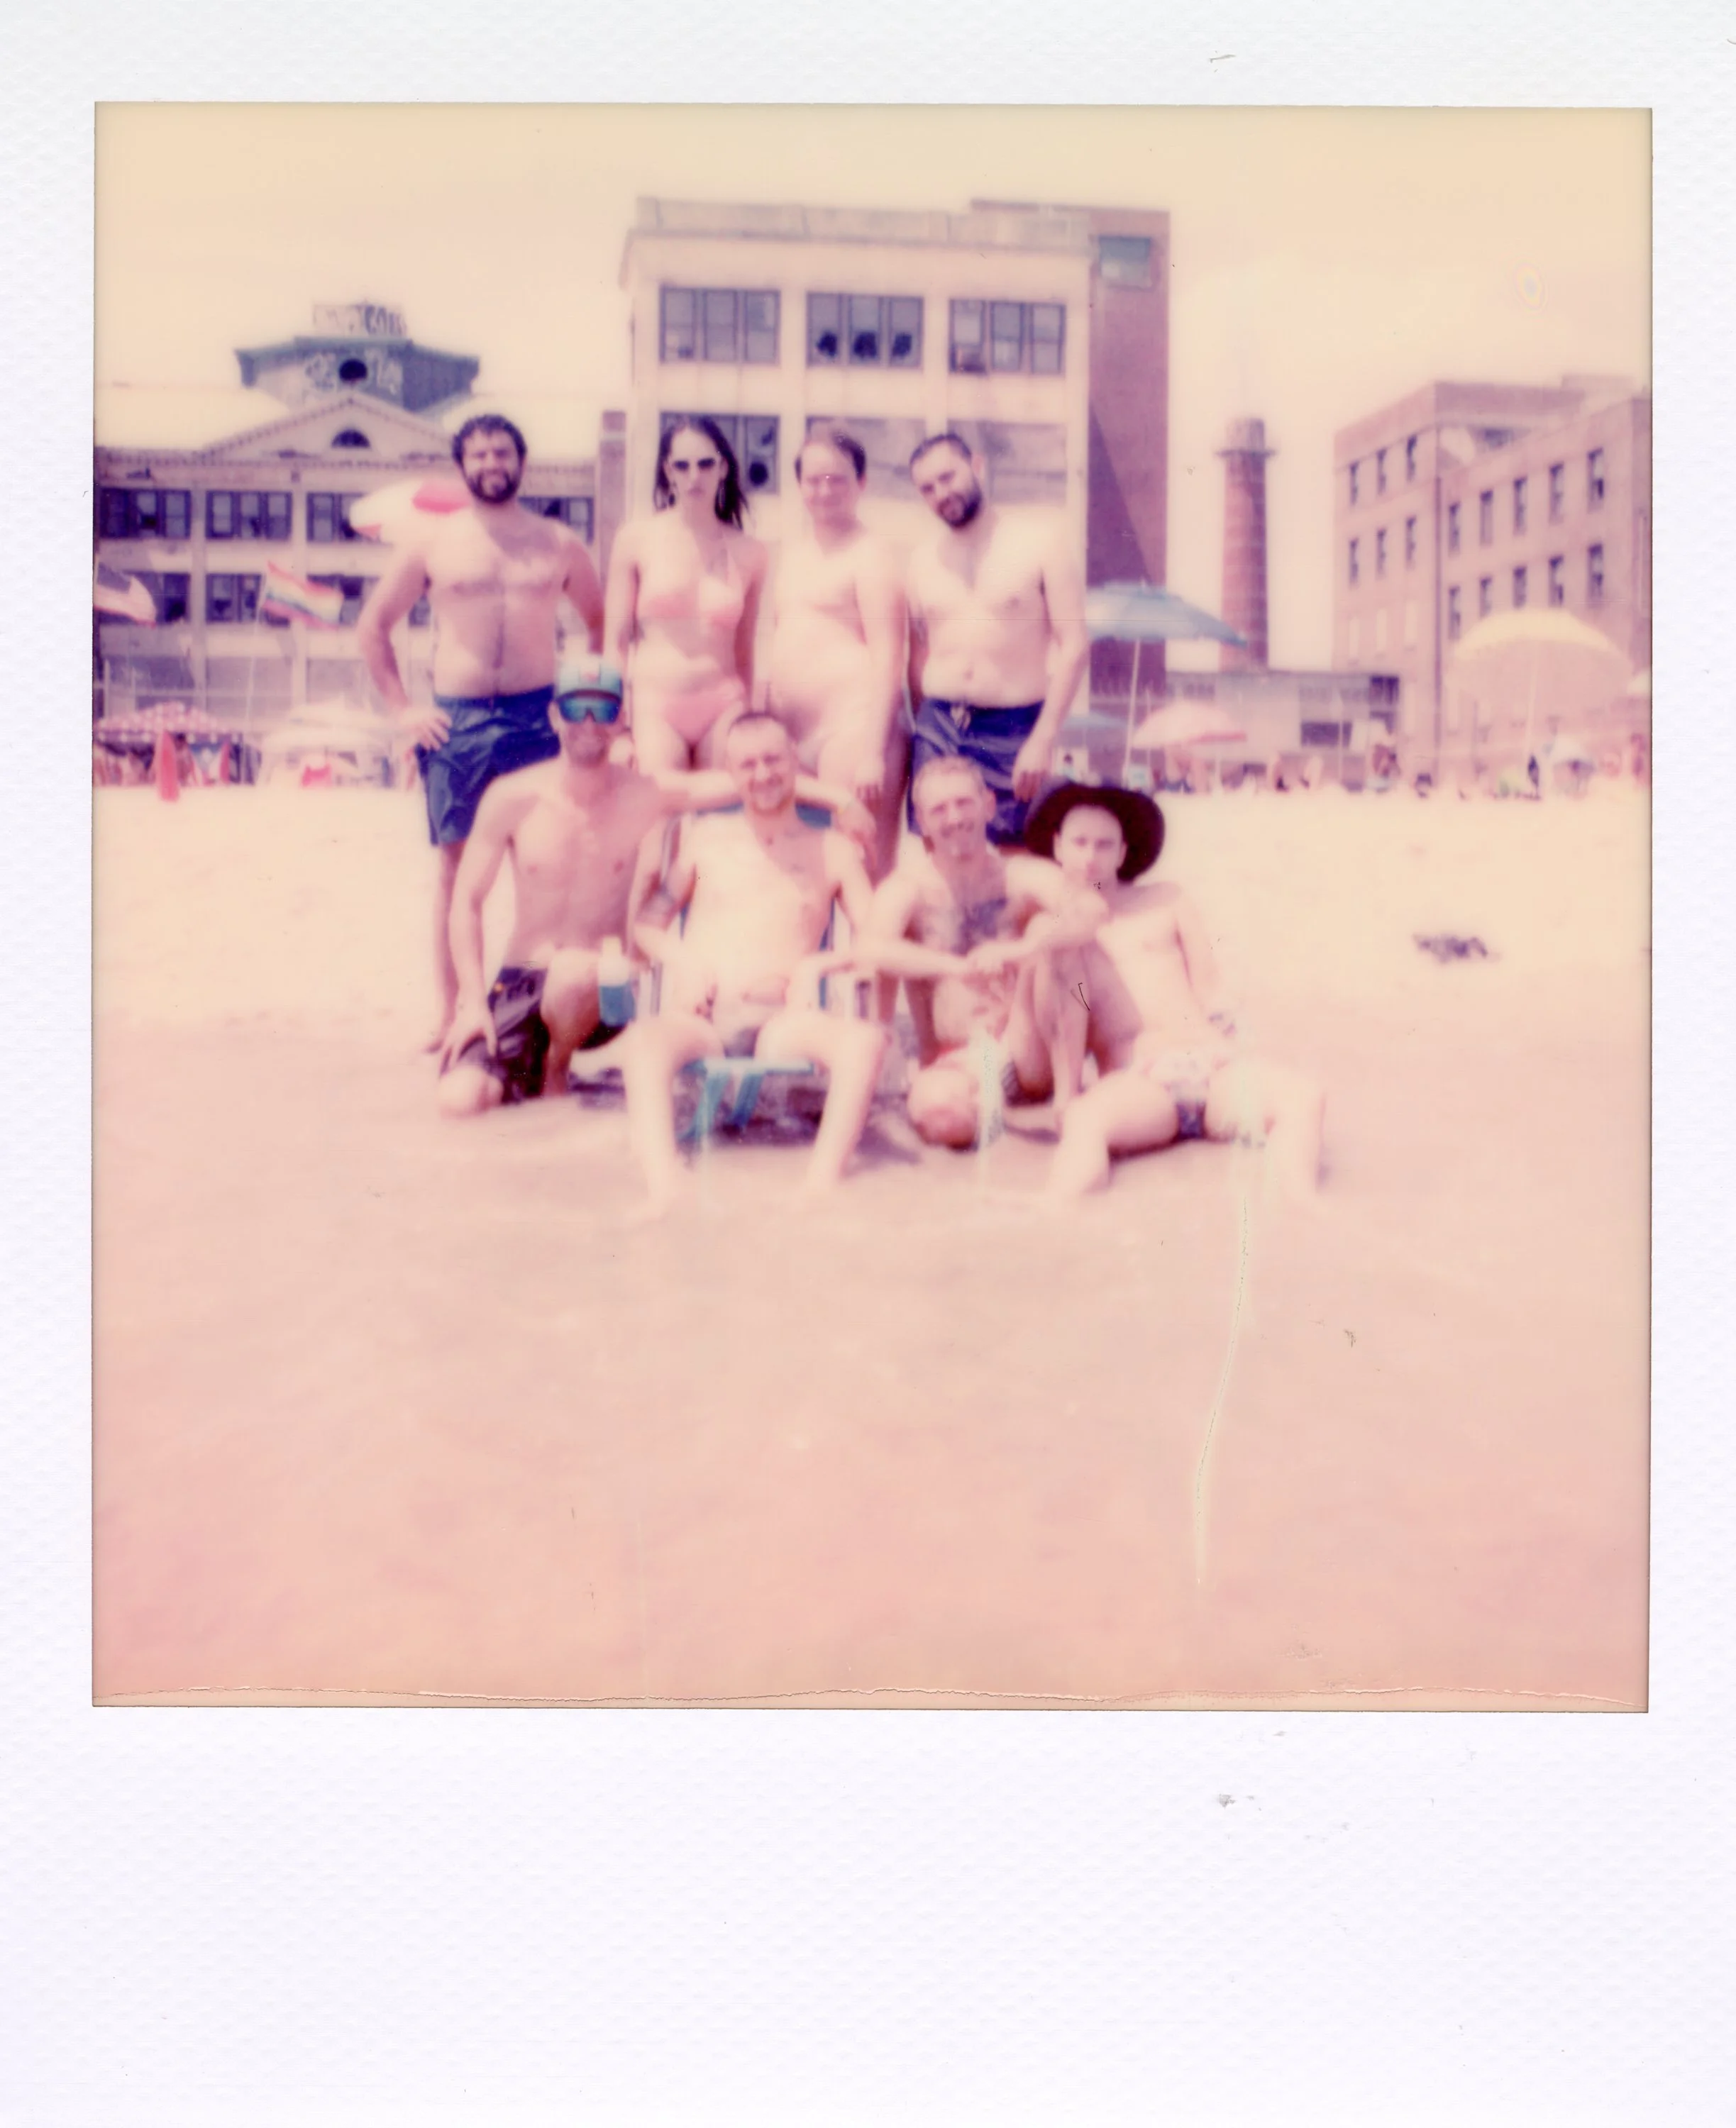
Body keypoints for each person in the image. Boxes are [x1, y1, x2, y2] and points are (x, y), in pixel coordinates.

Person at [438, 672, 876, 1120]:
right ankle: (526, 1075)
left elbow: (759, 779)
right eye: (575, 708)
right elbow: (466, 903)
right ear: (554, 716)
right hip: (521, 979)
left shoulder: (647, 793)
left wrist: (841, 801)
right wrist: (472, 1000)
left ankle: (557, 1070)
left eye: (604, 709)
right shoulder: (511, 797)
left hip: (597, 991)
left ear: (621, 719)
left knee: (574, 974)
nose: (589, 722)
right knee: (460, 1102)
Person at [358, 414, 605, 1047]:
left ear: (522, 462)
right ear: (462, 465)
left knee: (541, 865)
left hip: (535, 716)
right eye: (478, 454)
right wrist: (403, 709)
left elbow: (601, 630)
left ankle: (534, 1011)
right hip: (457, 721)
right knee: (457, 871)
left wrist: (585, 709)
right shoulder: (431, 543)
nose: (491, 463)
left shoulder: (558, 543)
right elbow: (373, 627)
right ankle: (453, 1011)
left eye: (502, 452)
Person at [622, 712, 891, 1210]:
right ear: (730, 772)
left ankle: (820, 1186)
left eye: (773, 759)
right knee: (641, 1043)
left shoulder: (832, 848)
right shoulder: (703, 840)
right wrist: (682, 960)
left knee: (865, 1043)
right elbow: (648, 923)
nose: (762, 774)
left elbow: (877, 940)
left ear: (795, 760)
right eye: (747, 765)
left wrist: (818, 966)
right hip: (703, 1013)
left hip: (785, 1020)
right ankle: (666, 1190)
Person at [1022, 783, 1325, 1199]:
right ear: (1057, 848)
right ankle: (1056, 1212)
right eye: (1080, 843)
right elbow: (1062, 1017)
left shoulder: (1167, 900)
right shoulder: (1057, 931)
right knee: (1085, 1125)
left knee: (1304, 1098)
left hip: (1213, 1065)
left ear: (1123, 853)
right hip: (1141, 1079)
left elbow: (1210, 988)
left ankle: (1304, 1206)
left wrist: (1239, 1047)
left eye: (1104, 845)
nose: (1091, 857)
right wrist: (1067, 1095)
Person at [861, 754, 1106, 1150]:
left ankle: (1067, 1101)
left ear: (988, 805)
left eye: (963, 803)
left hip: (1028, 1051)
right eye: (939, 809)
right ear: (922, 822)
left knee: (1050, 930)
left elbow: (1092, 910)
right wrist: (954, 967)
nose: (954, 818)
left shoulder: (1021, 875)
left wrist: (1018, 950)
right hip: (959, 1058)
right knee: (939, 1118)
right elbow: (870, 949)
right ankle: (986, 1115)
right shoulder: (909, 889)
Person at [904, 431, 1088, 846]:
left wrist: (1043, 739)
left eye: (948, 477)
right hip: (938, 725)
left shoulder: (1041, 542)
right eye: (927, 488)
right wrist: (923, 728)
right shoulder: (921, 560)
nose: (940, 493)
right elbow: (918, 655)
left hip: (1014, 725)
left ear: (978, 465)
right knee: (936, 851)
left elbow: (1075, 646)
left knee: (1013, 853)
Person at [759, 428, 908, 880]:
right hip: (792, 735)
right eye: (814, 480)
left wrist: (872, 751)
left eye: (838, 479)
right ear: (800, 485)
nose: (825, 491)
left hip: (852, 728)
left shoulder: (872, 554)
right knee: (804, 871)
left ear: (861, 484)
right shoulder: (787, 555)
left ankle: (875, 953)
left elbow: (889, 655)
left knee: (862, 864)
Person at [604, 417, 768, 777]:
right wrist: (616, 730)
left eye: (706, 464)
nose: (695, 476)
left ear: (723, 467)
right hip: (656, 705)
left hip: (725, 705)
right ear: (667, 471)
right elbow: (615, 644)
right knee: (657, 824)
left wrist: (753, 723)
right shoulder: (636, 539)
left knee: (718, 824)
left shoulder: (752, 552)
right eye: (682, 465)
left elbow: (746, 650)